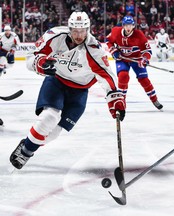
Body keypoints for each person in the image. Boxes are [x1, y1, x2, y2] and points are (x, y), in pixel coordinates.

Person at [9, 11, 126, 169]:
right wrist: (40, 63)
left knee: (54, 133)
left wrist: (115, 99)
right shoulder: (54, 36)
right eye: (75, 31)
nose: (79, 35)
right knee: (49, 117)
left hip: (80, 91)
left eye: (83, 31)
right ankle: (25, 152)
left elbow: (106, 76)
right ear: (69, 29)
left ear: (88, 29)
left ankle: (29, 142)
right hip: (56, 81)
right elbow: (31, 57)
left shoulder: (94, 49)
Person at [106, 15, 163, 110]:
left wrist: (144, 59)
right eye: (126, 25)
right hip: (122, 59)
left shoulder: (139, 35)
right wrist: (114, 51)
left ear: (133, 26)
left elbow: (147, 50)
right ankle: (121, 101)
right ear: (123, 26)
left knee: (144, 79)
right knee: (123, 76)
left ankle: (154, 99)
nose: (128, 28)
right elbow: (108, 41)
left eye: (130, 25)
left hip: (136, 59)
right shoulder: (116, 31)